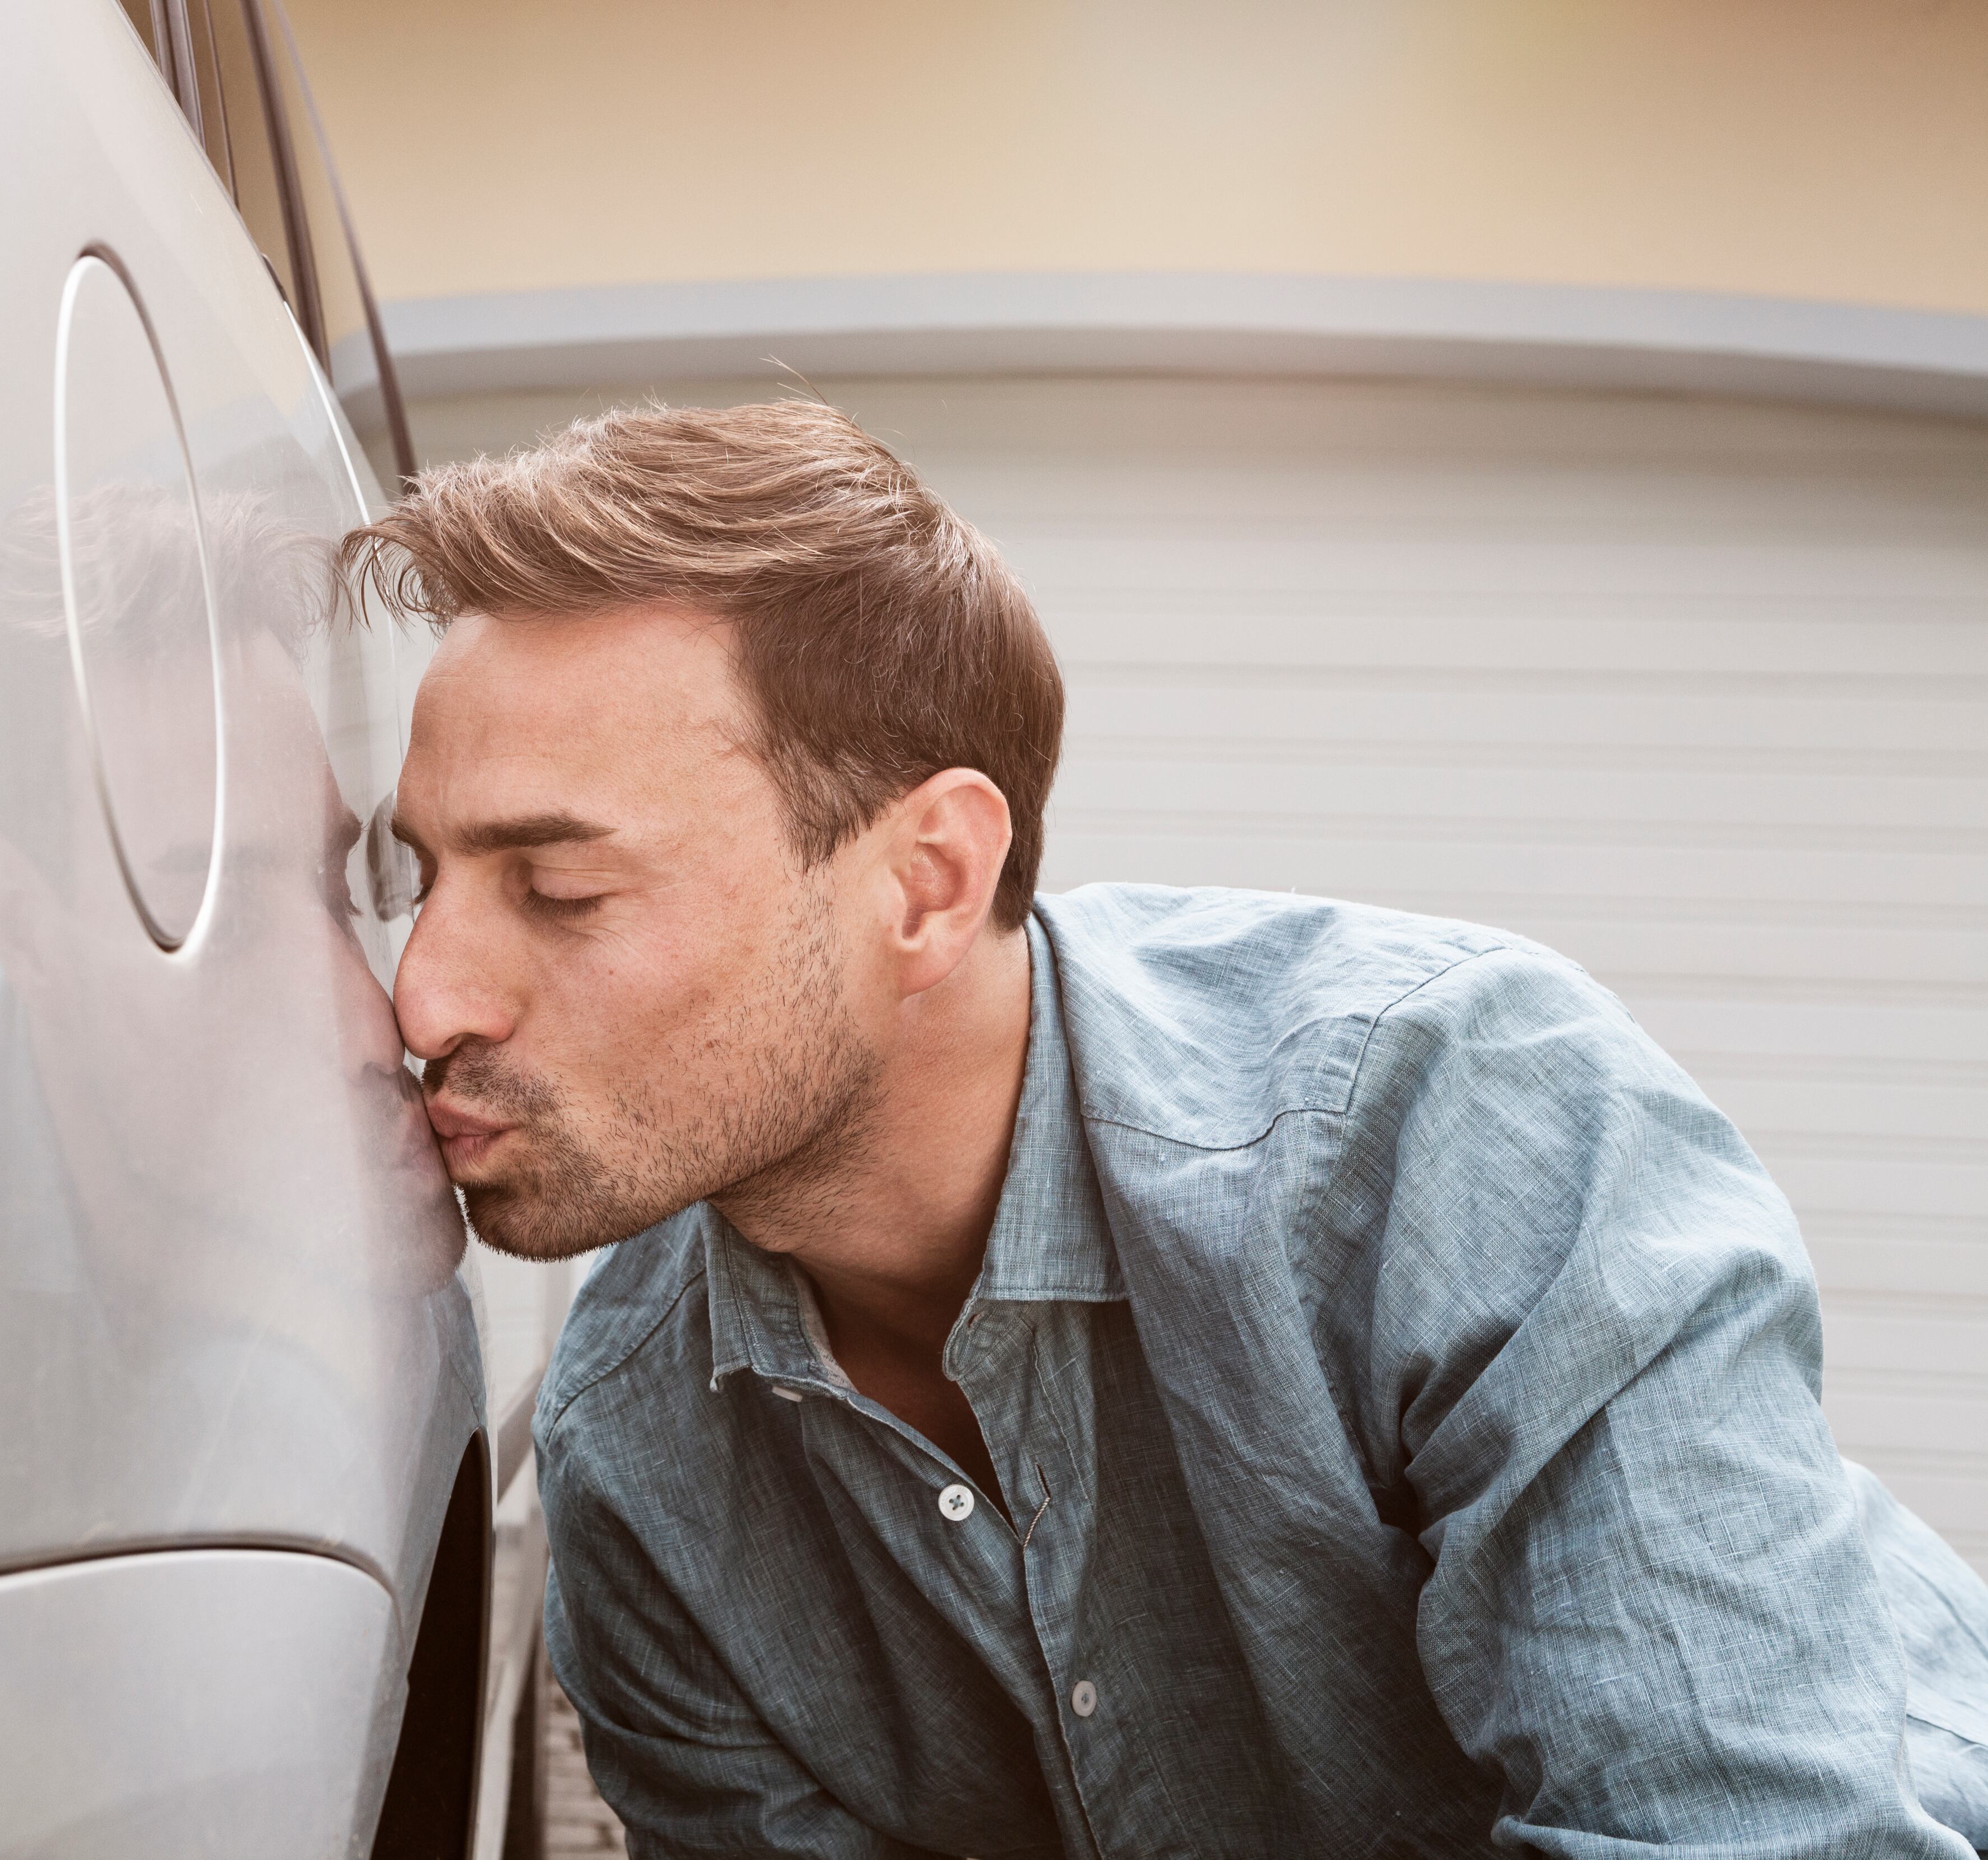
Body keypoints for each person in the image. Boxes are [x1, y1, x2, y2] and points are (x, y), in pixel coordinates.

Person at [345, 400, 1988, 1857]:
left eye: (558, 887)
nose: (424, 1000)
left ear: (924, 882)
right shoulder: (636, 1452)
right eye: (416, 881)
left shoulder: (1446, 1121)